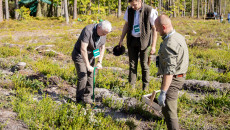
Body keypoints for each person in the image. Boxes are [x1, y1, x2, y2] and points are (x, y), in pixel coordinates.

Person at [155, 15, 189, 130]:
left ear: (164, 27)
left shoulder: (169, 43)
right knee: (166, 108)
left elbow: (169, 71)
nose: (156, 30)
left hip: (174, 79)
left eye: (157, 27)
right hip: (179, 75)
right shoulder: (178, 36)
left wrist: (163, 92)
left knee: (170, 111)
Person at [118, 0, 158, 91]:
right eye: (131, 4)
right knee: (132, 64)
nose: (133, 6)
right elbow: (126, 25)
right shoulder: (129, 9)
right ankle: (131, 87)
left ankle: (145, 88)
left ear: (140, 1)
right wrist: (121, 39)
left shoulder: (149, 10)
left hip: (144, 41)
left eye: (134, 4)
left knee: (144, 65)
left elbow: (154, 28)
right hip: (132, 40)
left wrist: (153, 45)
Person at [72, 20, 112, 104]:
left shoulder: (103, 32)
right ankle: (79, 100)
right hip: (80, 55)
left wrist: (99, 61)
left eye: (106, 34)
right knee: (83, 77)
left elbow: (102, 48)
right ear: (99, 27)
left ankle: (87, 97)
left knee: (91, 76)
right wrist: (87, 65)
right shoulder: (88, 30)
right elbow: (83, 49)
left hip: (91, 56)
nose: (105, 35)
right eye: (104, 33)